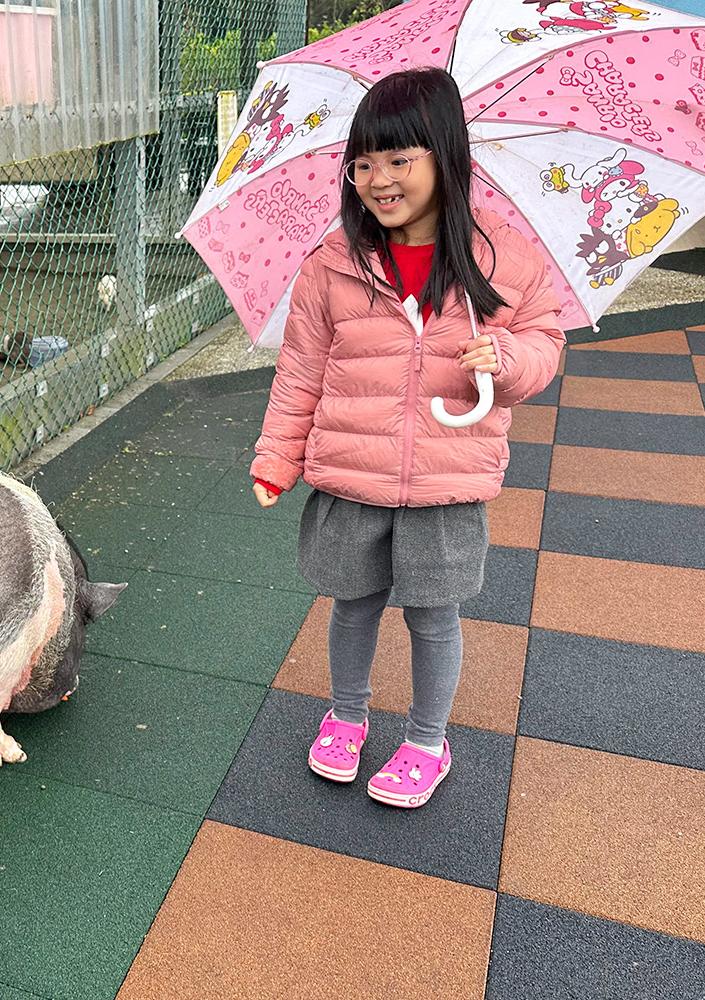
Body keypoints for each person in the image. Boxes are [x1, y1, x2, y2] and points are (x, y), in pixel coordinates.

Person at [250, 67, 564, 808]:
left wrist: (509, 359)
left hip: (447, 481)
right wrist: (277, 456)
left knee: (433, 614)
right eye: (362, 163)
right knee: (351, 603)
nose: (377, 180)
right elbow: (300, 372)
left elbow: (544, 345)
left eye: (399, 160)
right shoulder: (333, 264)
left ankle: (428, 739)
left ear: (446, 156)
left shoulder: (505, 260)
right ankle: (347, 716)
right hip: (352, 472)